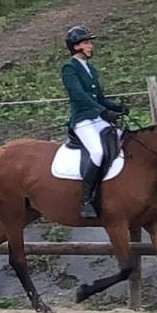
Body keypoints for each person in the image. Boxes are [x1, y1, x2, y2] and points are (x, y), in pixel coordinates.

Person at [62, 25, 128, 218]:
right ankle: (86, 199)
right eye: (87, 43)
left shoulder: (91, 69)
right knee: (98, 152)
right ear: (76, 47)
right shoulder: (69, 68)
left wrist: (117, 107)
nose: (91, 46)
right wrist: (103, 111)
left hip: (97, 118)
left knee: (123, 141)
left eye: (90, 43)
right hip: (83, 120)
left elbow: (99, 97)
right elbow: (79, 95)